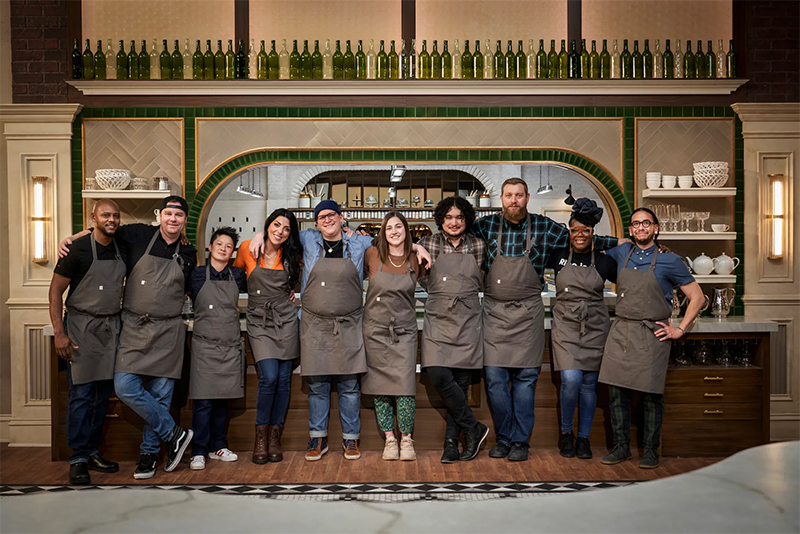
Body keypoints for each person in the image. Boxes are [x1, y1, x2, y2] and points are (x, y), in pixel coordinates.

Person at [249, 200, 431, 462]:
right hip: (314, 323)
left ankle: (351, 440)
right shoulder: (307, 239)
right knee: (318, 385)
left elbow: (392, 242)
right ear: (315, 222)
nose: (327, 220)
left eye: (331, 215)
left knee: (349, 385)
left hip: (349, 323)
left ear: (342, 217)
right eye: (321, 217)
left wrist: (416, 245)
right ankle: (317, 438)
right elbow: (279, 232)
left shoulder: (359, 243)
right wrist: (259, 233)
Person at [471, 178, 621, 462]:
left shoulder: (544, 226)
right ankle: (503, 437)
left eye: (518, 195)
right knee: (495, 380)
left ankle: (520, 442)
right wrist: (419, 248)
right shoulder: (485, 225)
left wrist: (626, 244)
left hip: (528, 314)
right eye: (508, 196)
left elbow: (581, 238)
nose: (513, 200)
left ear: (527, 197)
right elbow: (457, 235)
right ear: (501, 198)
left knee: (526, 381)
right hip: (493, 313)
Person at [60, 195, 197, 479]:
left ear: (185, 221)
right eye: (169, 213)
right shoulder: (138, 234)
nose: (173, 219)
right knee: (124, 387)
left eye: (179, 215)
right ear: (160, 215)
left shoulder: (188, 252)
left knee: (160, 396)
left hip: (169, 331)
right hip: (134, 327)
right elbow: (103, 228)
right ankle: (175, 434)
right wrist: (71, 238)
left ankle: (148, 455)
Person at [599, 207, 705, 469]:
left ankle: (650, 450)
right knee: (616, 394)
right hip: (622, 330)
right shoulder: (622, 252)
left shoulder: (671, 260)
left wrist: (679, 329)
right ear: (631, 230)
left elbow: (698, 297)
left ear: (656, 228)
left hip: (652, 334)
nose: (641, 228)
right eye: (636, 224)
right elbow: (594, 247)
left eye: (646, 223)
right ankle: (621, 447)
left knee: (650, 396)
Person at [49, 199, 126, 485]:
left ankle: (93, 450)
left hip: (110, 328)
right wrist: (59, 332)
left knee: (102, 395)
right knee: (81, 394)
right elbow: (55, 292)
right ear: (93, 217)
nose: (112, 220)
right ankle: (77, 458)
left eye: (116, 216)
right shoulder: (76, 250)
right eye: (106, 215)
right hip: (80, 326)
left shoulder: (122, 246)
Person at [418, 196, 488, 463]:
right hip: (438, 318)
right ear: (440, 220)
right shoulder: (427, 244)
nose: (454, 222)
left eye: (459, 217)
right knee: (437, 374)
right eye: (448, 217)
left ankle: (451, 444)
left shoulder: (479, 245)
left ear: (466, 219)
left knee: (460, 383)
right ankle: (474, 427)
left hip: (468, 320)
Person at [546, 198, 617, 460]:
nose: (579, 235)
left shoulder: (604, 261)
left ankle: (584, 438)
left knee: (589, 385)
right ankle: (566, 434)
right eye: (574, 230)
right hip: (566, 326)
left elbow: (631, 278)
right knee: (571, 380)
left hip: (595, 327)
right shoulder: (558, 256)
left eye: (585, 231)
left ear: (592, 233)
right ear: (569, 231)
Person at [233, 209, 302, 464]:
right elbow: (234, 277)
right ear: (268, 225)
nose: (280, 232)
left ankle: (275, 437)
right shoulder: (248, 248)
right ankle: (260, 437)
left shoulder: (292, 252)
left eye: (286, 229)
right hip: (260, 322)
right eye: (276, 225)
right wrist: (260, 234)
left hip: (285, 319)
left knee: (284, 380)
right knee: (269, 377)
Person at [362, 212, 423, 461]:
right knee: (380, 388)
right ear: (382, 232)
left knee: (405, 386)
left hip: (405, 331)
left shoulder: (415, 258)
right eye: (389, 228)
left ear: (406, 230)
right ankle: (390, 440)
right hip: (375, 330)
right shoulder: (372, 254)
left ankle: (406, 439)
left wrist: (419, 246)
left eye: (399, 227)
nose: (394, 231)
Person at [187, 226, 248, 470]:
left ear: (233, 252)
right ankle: (198, 450)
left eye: (229, 246)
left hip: (230, 345)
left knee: (224, 400)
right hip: (204, 345)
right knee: (203, 402)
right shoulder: (197, 275)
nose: (223, 249)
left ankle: (218, 446)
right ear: (210, 247)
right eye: (219, 244)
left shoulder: (238, 275)